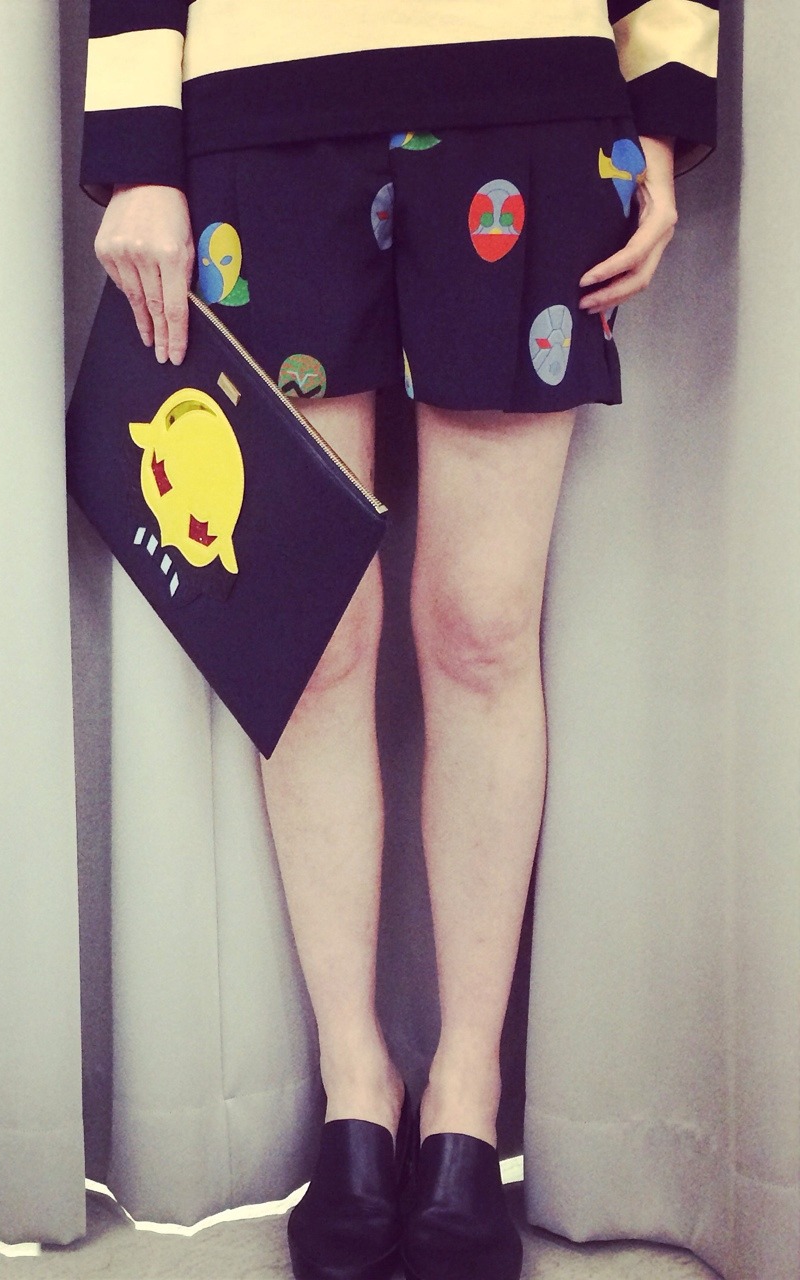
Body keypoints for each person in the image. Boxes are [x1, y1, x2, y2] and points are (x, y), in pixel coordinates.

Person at [80, 4, 719, 1278]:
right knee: (311, 636)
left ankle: (465, 1096)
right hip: (264, 109)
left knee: (481, 627)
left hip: (524, 101)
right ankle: (355, 1086)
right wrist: (141, 147)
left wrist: (660, 108)